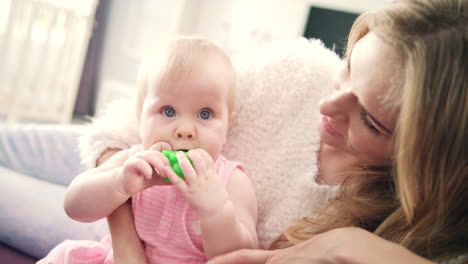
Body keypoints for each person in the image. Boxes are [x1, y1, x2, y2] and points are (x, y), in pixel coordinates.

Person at [80, 0, 467, 263]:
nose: (326, 106)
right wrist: (127, 243)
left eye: (369, 119)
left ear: (421, 158)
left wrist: (356, 246)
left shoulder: (406, 224)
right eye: (349, 66)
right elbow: (123, 123)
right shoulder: (298, 70)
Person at [38, 37, 258, 264]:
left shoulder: (231, 180)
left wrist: (216, 210)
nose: (184, 130)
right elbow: (74, 206)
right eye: (169, 111)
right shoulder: (134, 161)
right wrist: (118, 183)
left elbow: (242, 258)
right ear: (140, 116)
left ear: (227, 125)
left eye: (205, 114)